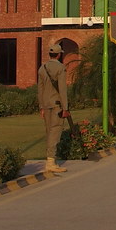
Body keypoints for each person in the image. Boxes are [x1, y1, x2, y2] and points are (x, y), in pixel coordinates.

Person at [37, 42, 70, 173]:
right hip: (57, 104)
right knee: (55, 131)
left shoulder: (42, 68)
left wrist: (41, 106)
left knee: (49, 131)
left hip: (45, 104)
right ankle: (51, 161)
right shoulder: (60, 68)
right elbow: (62, 89)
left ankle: (49, 159)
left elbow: (40, 89)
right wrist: (65, 107)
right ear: (58, 55)